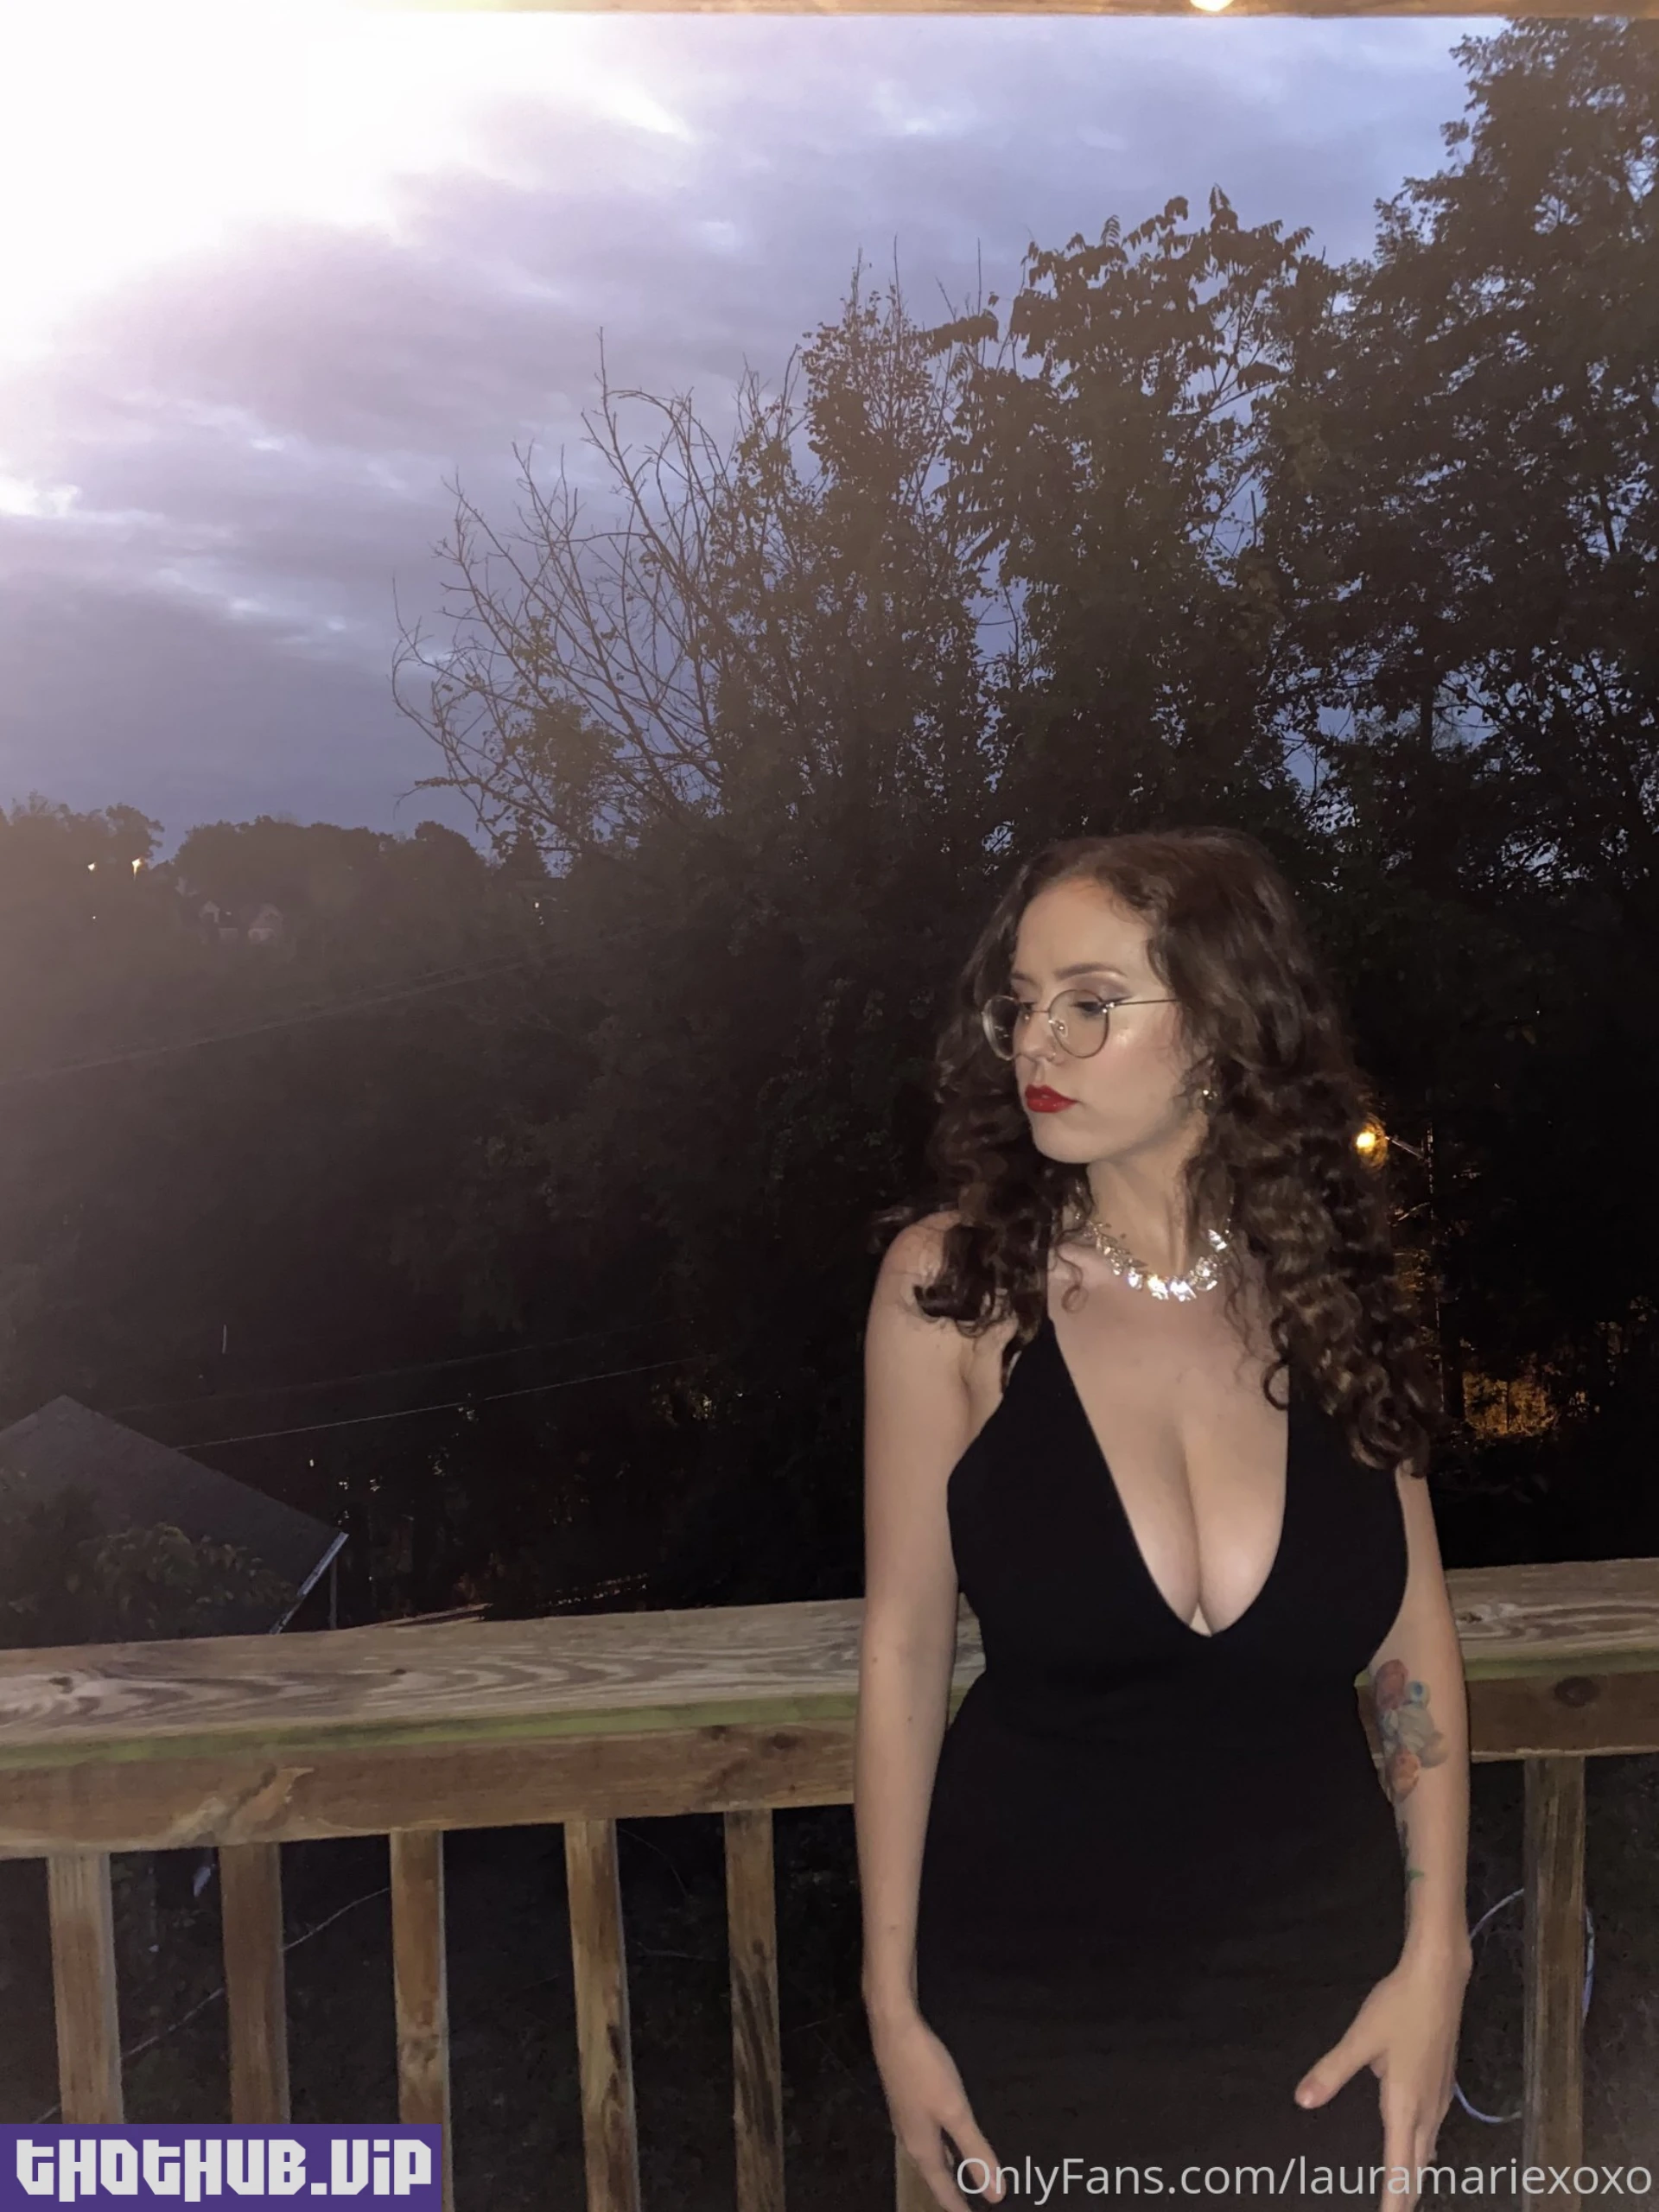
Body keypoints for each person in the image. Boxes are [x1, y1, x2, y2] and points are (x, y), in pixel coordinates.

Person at [855, 829, 1471, 2212]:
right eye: (1023, 1003)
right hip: (1033, 2005)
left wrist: (1438, 1954)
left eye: (1091, 1002)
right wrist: (890, 2004)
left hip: (1324, 1993)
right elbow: (902, 1650)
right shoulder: (955, 1292)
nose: (1038, 1041)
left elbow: (1410, 1639)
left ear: (1219, 1025)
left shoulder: (1330, 1285)